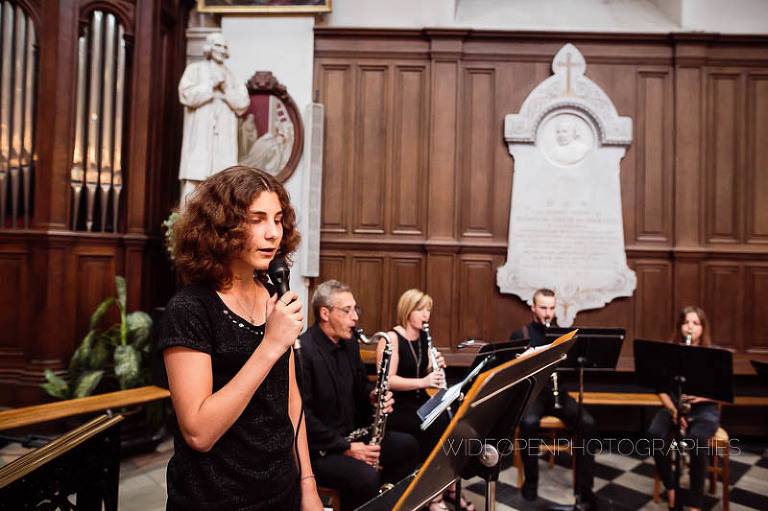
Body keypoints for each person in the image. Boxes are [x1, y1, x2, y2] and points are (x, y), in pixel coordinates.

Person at [156, 166, 323, 510]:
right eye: (257, 219)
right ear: (221, 227)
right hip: (218, 498)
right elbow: (199, 433)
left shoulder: (272, 296)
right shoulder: (190, 310)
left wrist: (308, 482)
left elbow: (291, 402)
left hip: (282, 489)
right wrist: (272, 345)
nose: (273, 233)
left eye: (277, 220)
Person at [299, 280, 419, 511]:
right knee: (364, 477)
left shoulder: (350, 342)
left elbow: (361, 387)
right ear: (325, 313)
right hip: (320, 449)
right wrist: (347, 447)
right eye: (347, 310)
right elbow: (303, 418)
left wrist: (373, 397)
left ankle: (386, 504)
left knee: (408, 446)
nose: (355, 317)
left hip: (354, 434)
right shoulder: (304, 351)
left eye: (356, 309)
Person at [377, 289, 473, 511]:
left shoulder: (422, 337)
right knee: (436, 426)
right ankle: (433, 494)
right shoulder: (392, 339)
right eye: (421, 310)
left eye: (428, 310)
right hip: (395, 407)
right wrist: (425, 381)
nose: (426, 315)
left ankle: (446, 487)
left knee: (454, 420)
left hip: (417, 402)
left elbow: (421, 371)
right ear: (408, 310)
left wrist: (433, 366)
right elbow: (388, 381)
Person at [510, 288, 598, 509]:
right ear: (533, 308)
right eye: (543, 308)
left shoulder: (564, 335)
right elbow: (511, 374)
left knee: (588, 423)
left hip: (559, 392)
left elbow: (573, 368)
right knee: (528, 423)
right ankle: (531, 484)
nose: (548, 313)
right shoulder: (521, 335)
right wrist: (521, 363)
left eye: (551, 308)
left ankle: (584, 490)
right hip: (535, 394)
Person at [646, 306, 720, 511]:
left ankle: (695, 505)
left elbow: (723, 392)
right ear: (680, 327)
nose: (690, 327)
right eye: (687, 323)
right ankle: (671, 490)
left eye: (696, 324)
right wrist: (674, 412)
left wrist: (701, 396)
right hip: (674, 406)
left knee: (697, 441)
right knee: (654, 435)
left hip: (704, 410)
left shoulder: (712, 355)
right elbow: (660, 389)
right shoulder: (669, 353)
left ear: (703, 328)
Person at [178, 33, 250, 204]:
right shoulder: (194, 70)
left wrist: (225, 91)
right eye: (218, 45)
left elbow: (242, 104)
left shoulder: (232, 77)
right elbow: (186, 95)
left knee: (223, 183)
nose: (222, 50)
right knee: (194, 182)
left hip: (223, 137)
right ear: (209, 48)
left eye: (225, 47)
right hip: (200, 135)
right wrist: (210, 85)